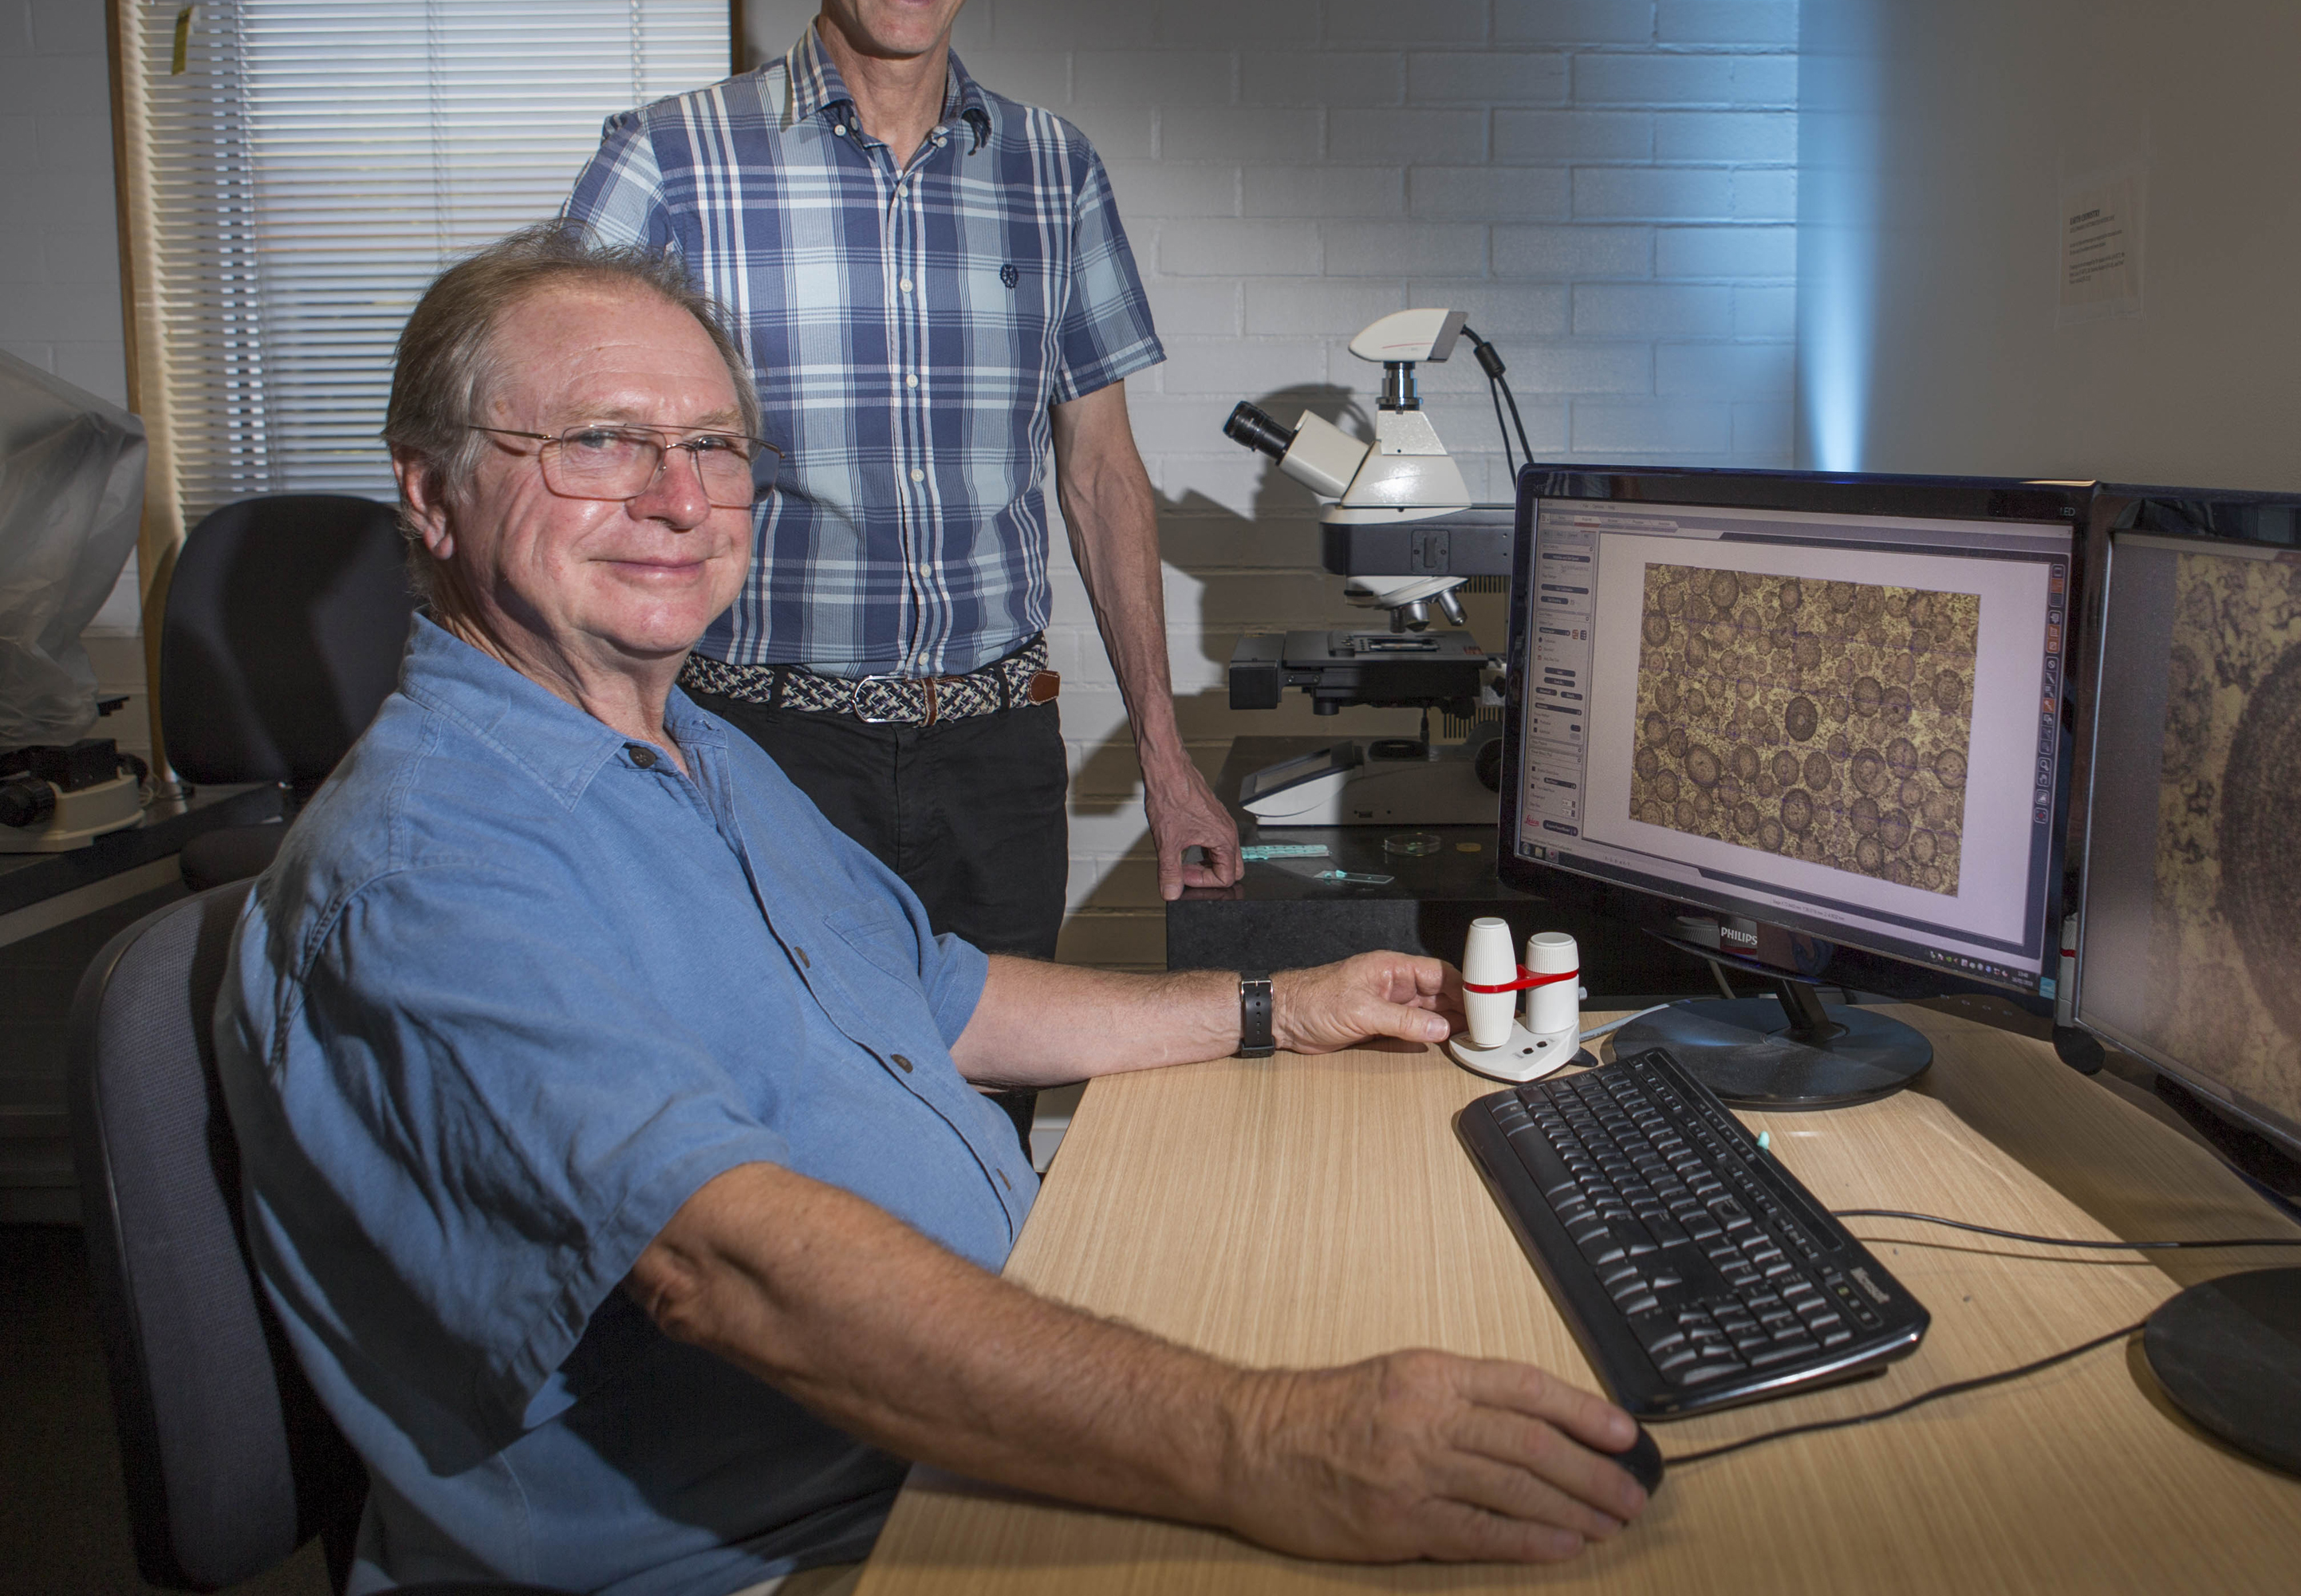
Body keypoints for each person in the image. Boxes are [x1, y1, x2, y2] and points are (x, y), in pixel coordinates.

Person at [214, 229, 1645, 1596]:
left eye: (712, 445)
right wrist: (1259, 1441)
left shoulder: (698, 749)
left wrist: (1281, 1004)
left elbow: (940, 991)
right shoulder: (428, 872)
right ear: (429, 491)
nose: (677, 497)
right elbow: (727, 1268)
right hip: (773, 1549)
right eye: (596, 440)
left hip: (931, 1444)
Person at [561, 0, 1240, 1152]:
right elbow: (561, 458)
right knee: (784, 1132)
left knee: (981, 1135)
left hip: (996, 756)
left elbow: (1100, 471)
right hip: (756, 748)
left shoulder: (1054, 172)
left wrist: (1166, 758)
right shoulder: (670, 161)